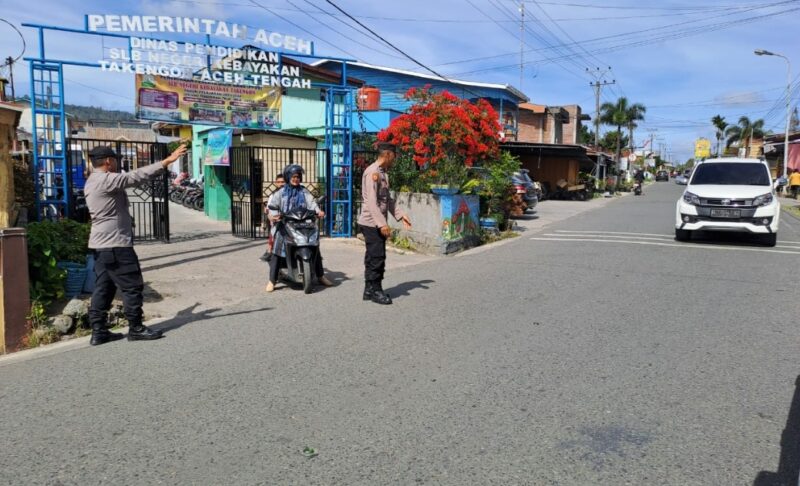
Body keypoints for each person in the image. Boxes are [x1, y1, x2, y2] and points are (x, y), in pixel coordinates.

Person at [84, 144, 187, 346]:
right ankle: (136, 328)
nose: (116, 162)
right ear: (108, 161)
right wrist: (166, 161)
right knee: (132, 285)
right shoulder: (106, 180)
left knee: (103, 288)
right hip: (116, 245)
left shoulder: (92, 180)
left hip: (101, 245)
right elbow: (136, 176)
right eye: (115, 159)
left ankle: (99, 331)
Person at [357, 143, 412, 305]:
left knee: (372, 256)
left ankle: (368, 289)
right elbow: (372, 202)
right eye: (394, 156)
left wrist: (401, 215)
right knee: (377, 257)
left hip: (374, 222)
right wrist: (382, 224)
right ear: (388, 155)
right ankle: (375, 290)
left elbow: (387, 200)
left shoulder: (382, 173)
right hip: (371, 223)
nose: (394, 160)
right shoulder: (373, 173)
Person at [265, 165, 333, 292]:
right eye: (294, 176)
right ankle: (272, 280)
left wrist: (319, 211)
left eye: (298, 177)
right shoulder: (281, 193)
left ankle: (320, 276)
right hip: (285, 225)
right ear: (288, 177)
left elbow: (312, 204)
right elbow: (272, 206)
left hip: (304, 225)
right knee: (277, 250)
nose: (296, 179)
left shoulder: (304, 191)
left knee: (315, 247)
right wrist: (274, 216)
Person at [260, 174, 286, 262]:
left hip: (291, 220)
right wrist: (270, 217)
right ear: (275, 183)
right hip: (277, 219)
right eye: (278, 182)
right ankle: (269, 251)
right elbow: (268, 209)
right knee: (273, 234)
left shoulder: (292, 193)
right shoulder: (273, 195)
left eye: (283, 182)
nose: (281, 184)